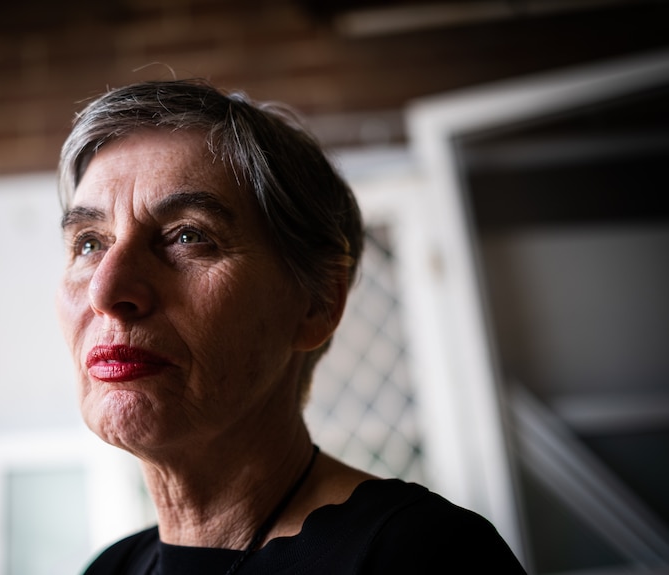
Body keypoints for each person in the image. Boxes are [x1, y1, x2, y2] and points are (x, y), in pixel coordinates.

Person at [55, 79, 526, 574]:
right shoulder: (112, 567)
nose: (105, 291)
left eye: (188, 236)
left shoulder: (423, 555)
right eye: (89, 243)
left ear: (317, 303)